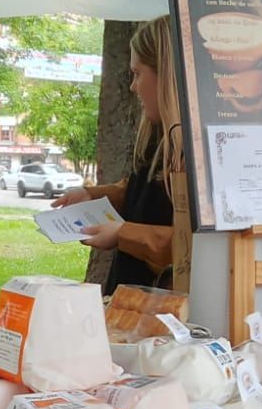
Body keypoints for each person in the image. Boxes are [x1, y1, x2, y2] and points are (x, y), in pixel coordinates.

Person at [52, 16, 190, 292]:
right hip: (130, 291)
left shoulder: (194, 150)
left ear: (166, 74)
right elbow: (144, 194)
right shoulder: (158, 137)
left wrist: (123, 234)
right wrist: (93, 195)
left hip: (165, 306)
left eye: (138, 74)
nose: (133, 87)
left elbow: (190, 246)